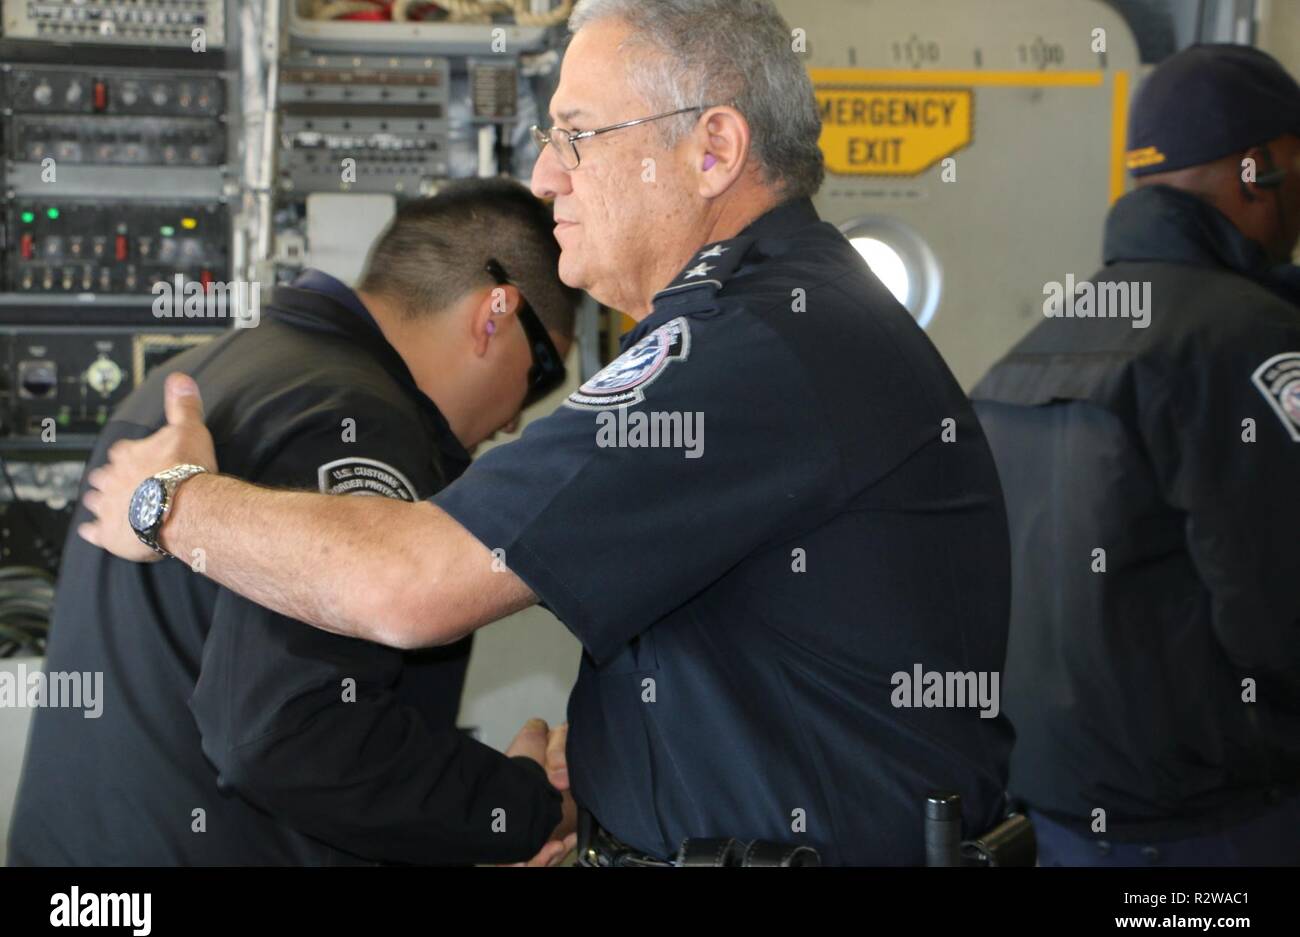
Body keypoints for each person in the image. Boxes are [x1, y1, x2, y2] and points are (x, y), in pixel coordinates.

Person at [79, 0, 1014, 865]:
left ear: (713, 149)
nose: (545, 174)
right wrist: (619, 753)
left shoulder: (755, 344)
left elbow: (410, 584)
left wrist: (170, 502)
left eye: (578, 135)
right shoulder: (779, 323)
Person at [9, 178, 581, 866]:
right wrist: (520, 806)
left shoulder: (206, 373)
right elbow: (292, 733)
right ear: (493, 315)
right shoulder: (361, 423)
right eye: (543, 372)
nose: (518, 417)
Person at [972, 44, 1300, 865]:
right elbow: (1281, 609)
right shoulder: (1248, 341)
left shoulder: (1028, 352)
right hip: (1222, 828)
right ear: (1258, 169)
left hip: (1059, 821)